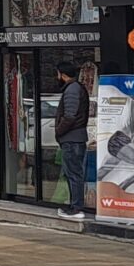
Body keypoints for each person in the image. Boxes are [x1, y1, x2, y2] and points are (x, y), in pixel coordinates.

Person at [53, 63, 92, 219]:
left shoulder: (72, 89)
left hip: (72, 139)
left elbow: (70, 116)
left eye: (58, 74)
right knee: (72, 173)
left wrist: (58, 131)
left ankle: (76, 208)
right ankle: (74, 206)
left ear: (62, 75)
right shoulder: (76, 88)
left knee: (73, 173)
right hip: (74, 138)